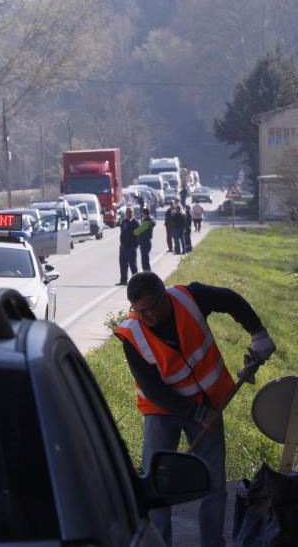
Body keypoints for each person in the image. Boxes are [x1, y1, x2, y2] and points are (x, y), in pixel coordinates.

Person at [115, 272, 276, 547]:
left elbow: (230, 299)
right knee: (158, 484)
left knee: (213, 484)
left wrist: (257, 332)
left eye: (154, 306)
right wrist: (199, 415)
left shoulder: (190, 298)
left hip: (208, 401)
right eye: (141, 311)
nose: (149, 315)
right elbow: (154, 389)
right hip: (162, 410)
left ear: (164, 296)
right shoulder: (132, 335)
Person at [116, 206, 139, 286]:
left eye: (130, 212)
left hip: (131, 247)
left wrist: (135, 245)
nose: (128, 213)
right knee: (122, 264)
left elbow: (137, 235)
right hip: (123, 247)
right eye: (127, 212)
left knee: (133, 264)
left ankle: (136, 281)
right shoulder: (124, 222)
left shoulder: (135, 223)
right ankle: (123, 280)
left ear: (133, 213)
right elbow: (122, 233)